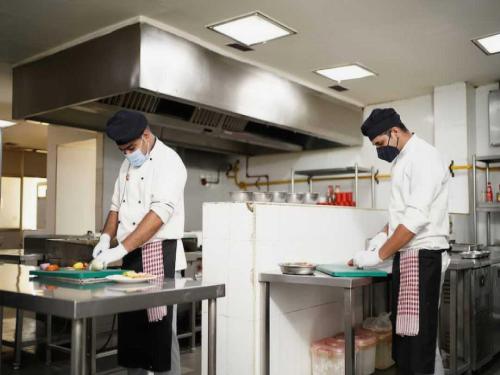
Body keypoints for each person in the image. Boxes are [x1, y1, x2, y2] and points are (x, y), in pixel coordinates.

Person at [351, 108, 450, 375]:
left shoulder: (423, 156)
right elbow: (401, 217)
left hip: (423, 256)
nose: (380, 152)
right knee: (410, 340)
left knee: (418, 344)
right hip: (409, 257)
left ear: (394, 131)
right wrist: (380, 238)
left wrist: (378, 255)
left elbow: (416, 218)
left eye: (380, 144)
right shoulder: (403, 160)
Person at [93, 109, 187, 375]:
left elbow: (158, 214)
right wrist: (105, 238)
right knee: (132, 334)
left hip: (160, 255)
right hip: (132, 259)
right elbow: (115, 208)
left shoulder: (170, 162)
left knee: (160, 336)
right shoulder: (128, 164)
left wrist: (119, 249)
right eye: (122, 150)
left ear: (146, 135)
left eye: (130, 148)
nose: (127, 154)